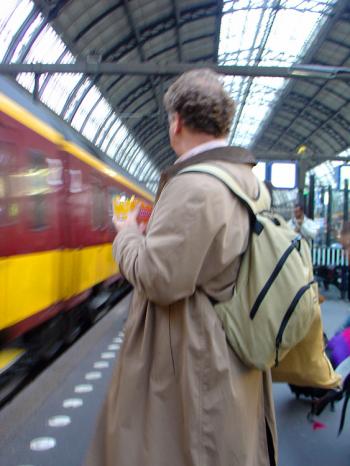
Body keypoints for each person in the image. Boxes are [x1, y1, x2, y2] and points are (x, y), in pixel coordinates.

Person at [85, 69, 277, 466]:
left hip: (194, 361)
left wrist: (127, 235)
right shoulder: (248, 180)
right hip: (234, 346)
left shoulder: (194, 186)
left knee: (184, 449)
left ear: (176, 122)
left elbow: (158, 278)